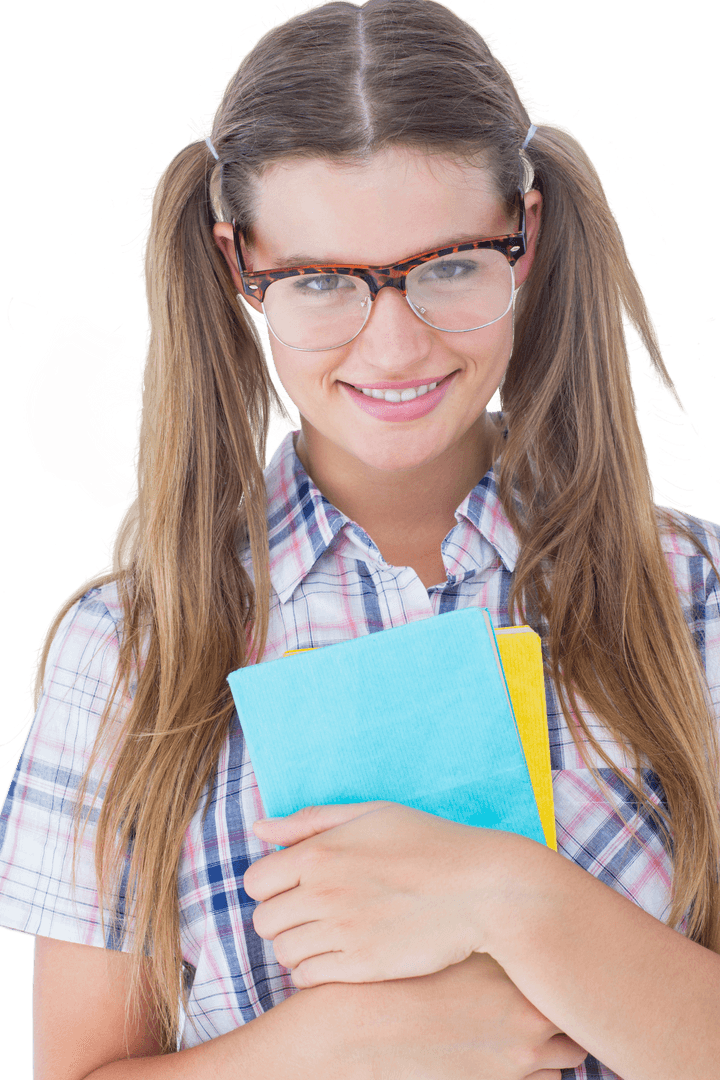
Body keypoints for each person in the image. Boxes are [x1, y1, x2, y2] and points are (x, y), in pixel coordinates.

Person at [1, 0, 719, 1077]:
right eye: (321, 280)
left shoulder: (699, 595)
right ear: (241, 268)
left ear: (525, 239)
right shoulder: (127, 651)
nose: (394, 349)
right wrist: (340, 1044)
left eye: (451, 266)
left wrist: (509, 897)